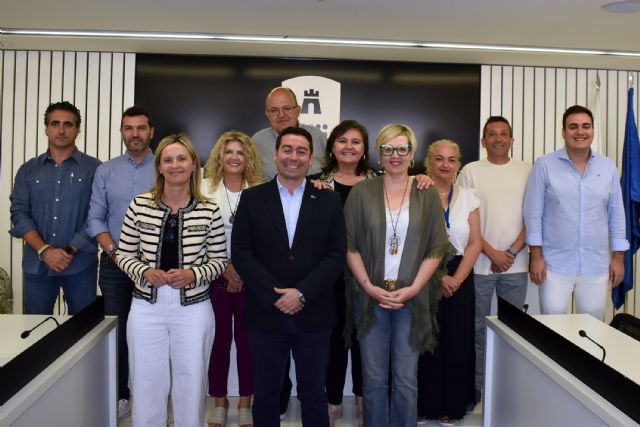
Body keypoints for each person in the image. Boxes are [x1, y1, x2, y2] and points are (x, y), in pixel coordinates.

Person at [232, 126, 346, 427]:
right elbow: (242, 253)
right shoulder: (252, 198)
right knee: (267, 394)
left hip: (315, 313)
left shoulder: (329, 200)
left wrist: (302, 293)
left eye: (301, 151)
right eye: (287, 150)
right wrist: (275, 295)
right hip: (266, 313)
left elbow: (336, 256)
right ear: (275, 154)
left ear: (311, 159)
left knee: (313, 394)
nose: (293, 157)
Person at [115, 133, 227, 426]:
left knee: (191, 381)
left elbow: (219, 261)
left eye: (181, 158)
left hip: (193, 308)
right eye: (168, 159)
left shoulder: (209, 209)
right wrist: (144, 271)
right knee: (146, 381)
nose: (175, 165)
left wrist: (193, 274)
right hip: (146, 307)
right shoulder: (139, 205)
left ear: (193, 165)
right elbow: (123, 254)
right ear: (159, 167)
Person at [344, 124, 451, 427]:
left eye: (402, 149)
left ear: (412, 154)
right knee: (374, 379)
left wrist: (415, 288)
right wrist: (368, 286)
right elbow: (349, 245)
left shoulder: (426, 192)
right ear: (379, 154)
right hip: (370, 299)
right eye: (388, 149)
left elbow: (437, 246)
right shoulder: (361, 192)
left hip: (412, 300)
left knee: (406, 379)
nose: (395, 155)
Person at [524, 105, 629, 320]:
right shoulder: (545, 165)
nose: (580, 132)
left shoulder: (608, 167)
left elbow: (617, 216)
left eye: (585, 126)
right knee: (552, 327)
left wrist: (619, 258)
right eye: (573, 127)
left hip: (596, 265)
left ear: (592, 130)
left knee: (591, 330)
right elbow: (533, 214)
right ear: (563, 132)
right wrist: (536, 256)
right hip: (553, 265)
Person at [87, 105, 155, 418]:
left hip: (155, 268)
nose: (135, 134)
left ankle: (151, 395)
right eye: (129, 128)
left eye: (141, 128)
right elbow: (95, 219)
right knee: (117, 330)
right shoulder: (106, 170)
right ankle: (120, 395)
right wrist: (116, 253)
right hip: (115, 264)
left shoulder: (166, 165)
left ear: (151, 132)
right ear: (122, 132)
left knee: (152, 332)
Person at [457, 116, 531, 401]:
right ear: (483, 140)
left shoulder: (528, 170)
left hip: (516, 265)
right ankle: (476, 387)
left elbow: (533, 217)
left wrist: (510, 252)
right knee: (475, 329)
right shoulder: (470, 171)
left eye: (504, 134)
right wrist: (490, 252)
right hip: (477, 265)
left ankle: (507, 390)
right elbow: (465, 219)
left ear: (512, 140)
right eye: (491, 134)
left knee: (512, 332)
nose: (498, 138)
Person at [309, 119, 376, 426]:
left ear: (364, 149)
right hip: (330, 275)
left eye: (356, 142)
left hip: (371, 273)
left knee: (367, 336)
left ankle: (364, 397)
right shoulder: (316, 183)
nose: (349, 147)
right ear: (332, 147)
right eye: (343, 141)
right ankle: (332, 398)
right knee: (333, 338)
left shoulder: (380, 181)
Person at [10, 101, 101, 314]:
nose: (61, 130)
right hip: (37, 266)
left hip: (80, 266)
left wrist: (69, 251)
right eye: (55, 123)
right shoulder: (28, 170)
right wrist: (45, 251)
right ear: (46, 128)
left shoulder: (95, 169)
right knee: (36, 332)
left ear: (78, 129)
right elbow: (19, 213)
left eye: (68, 124)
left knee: (82, 332)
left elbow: (97, 214)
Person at [202, 131, 264, 427]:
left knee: (248, 341)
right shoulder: (204, 189)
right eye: (229, 152)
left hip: (250, 279)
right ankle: (219, 400)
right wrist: (225, 268)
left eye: (241, 152)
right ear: (219, 157)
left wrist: (241, 271)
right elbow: (199, 236)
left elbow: (266, 240)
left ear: (249, 157)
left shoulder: (262, 190)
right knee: (219, 340)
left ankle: (245, 402)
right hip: (215, 277)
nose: (235, 157)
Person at [417, 139, 481, 426]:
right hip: (422, 271)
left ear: (459, 164)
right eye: (439, 159)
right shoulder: (415, 191)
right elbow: (411, 241)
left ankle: (451, 407)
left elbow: (475, 242)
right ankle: (424, 405)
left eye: (451, 160)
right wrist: (439, 276)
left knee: (456, 341)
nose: (445, 165)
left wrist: (455, 278)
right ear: (429, 162)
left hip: (460, 273)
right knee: (425, 341)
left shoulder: (469, 197)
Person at [252, 86, 327, 180]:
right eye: (274, 110)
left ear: (298, 110)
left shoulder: (318, 136)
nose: (281, 115)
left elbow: (334, 170)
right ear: (267, 114)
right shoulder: (257, 141)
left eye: (287, 108)